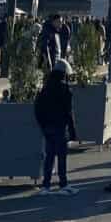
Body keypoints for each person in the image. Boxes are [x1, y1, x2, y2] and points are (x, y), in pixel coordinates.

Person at [34, 59, 79, 196]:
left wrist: (42, 125)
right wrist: (72, 131)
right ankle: (63, 183)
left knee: (49, 156)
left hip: (47, 127)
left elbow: (38, 108)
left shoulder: (45, 89)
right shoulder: (65, 90)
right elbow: (68, 112)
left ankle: (46, 184)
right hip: (60, 127)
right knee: (61, 157)